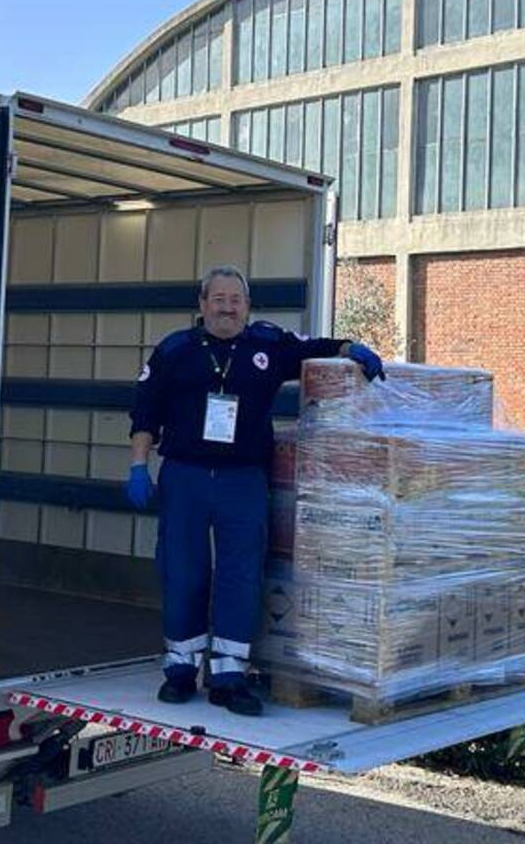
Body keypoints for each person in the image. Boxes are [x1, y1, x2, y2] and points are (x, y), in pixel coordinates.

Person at [128, 265, 385, 715]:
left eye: (236, 299)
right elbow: (145, 413)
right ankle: (181, 668)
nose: (227, 306)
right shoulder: (175, 350)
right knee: (183, 570)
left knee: (241, 574)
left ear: (247, 307)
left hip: (243, 479)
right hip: (185, 475)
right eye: (219, 298)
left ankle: (229, 675)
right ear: (202, 304)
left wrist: (351, 348)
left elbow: (311, 348)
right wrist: (137, 466)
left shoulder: (266, 344)